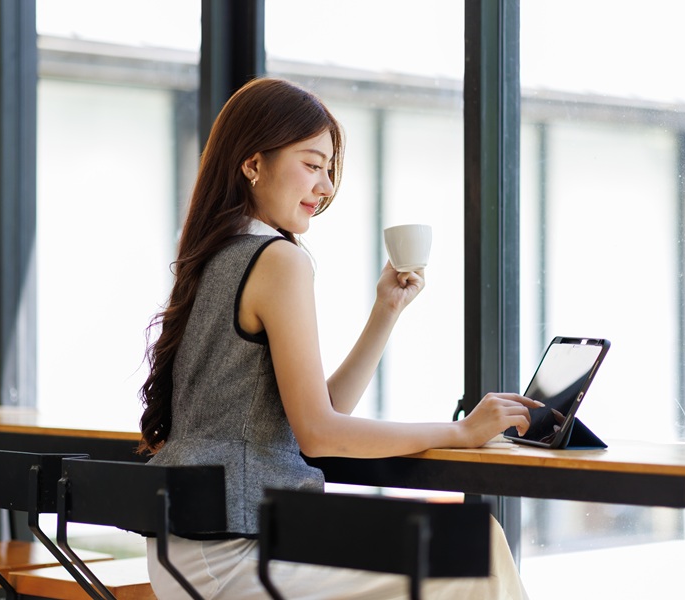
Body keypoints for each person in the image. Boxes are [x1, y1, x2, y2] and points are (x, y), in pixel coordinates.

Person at [139, 77, 539, 599]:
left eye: (329, 170)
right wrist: (459, 432)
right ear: (253, 163)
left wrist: (385, 311)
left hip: (188, 549)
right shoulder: (279, 259)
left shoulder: (215, 253)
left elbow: (316, 412)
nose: (326, 187)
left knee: (472, 547)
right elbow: (319, 434)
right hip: (234, 553)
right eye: (311, 165)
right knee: (471, 552)